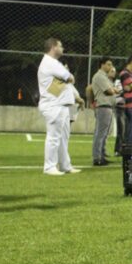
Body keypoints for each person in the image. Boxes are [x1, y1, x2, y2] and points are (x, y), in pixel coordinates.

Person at [37, 38, 80, 175]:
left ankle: (65, 165)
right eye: (60, 46)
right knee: (54, 136)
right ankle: (49, 167)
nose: (63, 49)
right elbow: (70, 78)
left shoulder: (53, 63)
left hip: (61, 105)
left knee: (63, 138)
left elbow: (67, 79)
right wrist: (67, 76)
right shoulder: (51, 63)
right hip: (53, 105)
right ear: (53, 47)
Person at [91, 57, 120, 166]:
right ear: (102, 65)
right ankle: (97, 157)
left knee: (104, 133)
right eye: (108, 64)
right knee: (100, 133)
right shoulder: (99, 76)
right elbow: (109, 91)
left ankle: (101, 156)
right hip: (103, 106)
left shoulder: (105, 77)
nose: (110, 67)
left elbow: (113, 90)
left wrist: (114, 90)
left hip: (107, 107)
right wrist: (114, 90)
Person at [111, 67, 125, 156]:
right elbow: (119, 92)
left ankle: (124, 149)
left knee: (126, 130)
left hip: (128, 108)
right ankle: (118, 149)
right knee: (121, 130)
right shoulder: (118, 82)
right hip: (120, 107)